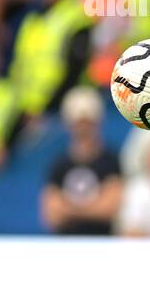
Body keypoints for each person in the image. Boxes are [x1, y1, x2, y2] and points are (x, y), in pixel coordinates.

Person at [41, 87, 122, 235]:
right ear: (69, 125)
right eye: (78, 124)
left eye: (87, 123)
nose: (83, 129)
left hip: (103, 244)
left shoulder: (110, 161)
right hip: (65, 245)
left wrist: (69, 208)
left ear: (97, 123)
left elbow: (111, 208)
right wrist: (94, 206)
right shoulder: (59, 165)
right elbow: (51, 215)